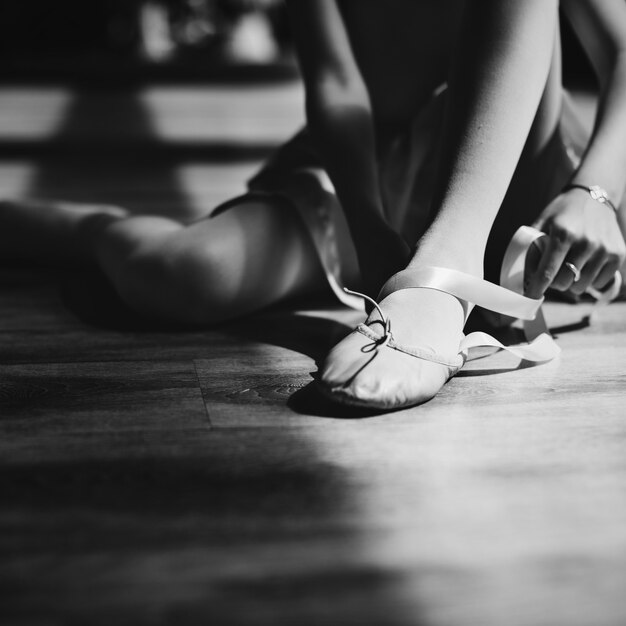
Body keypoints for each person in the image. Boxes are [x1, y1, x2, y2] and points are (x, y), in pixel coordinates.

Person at [1, 0, 626, 411]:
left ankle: (451, 259)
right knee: (184, 275)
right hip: (369, 162)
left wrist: (593, 191)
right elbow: (336, 86)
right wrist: (369, 227)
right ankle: (77, 230)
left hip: (519, 154)